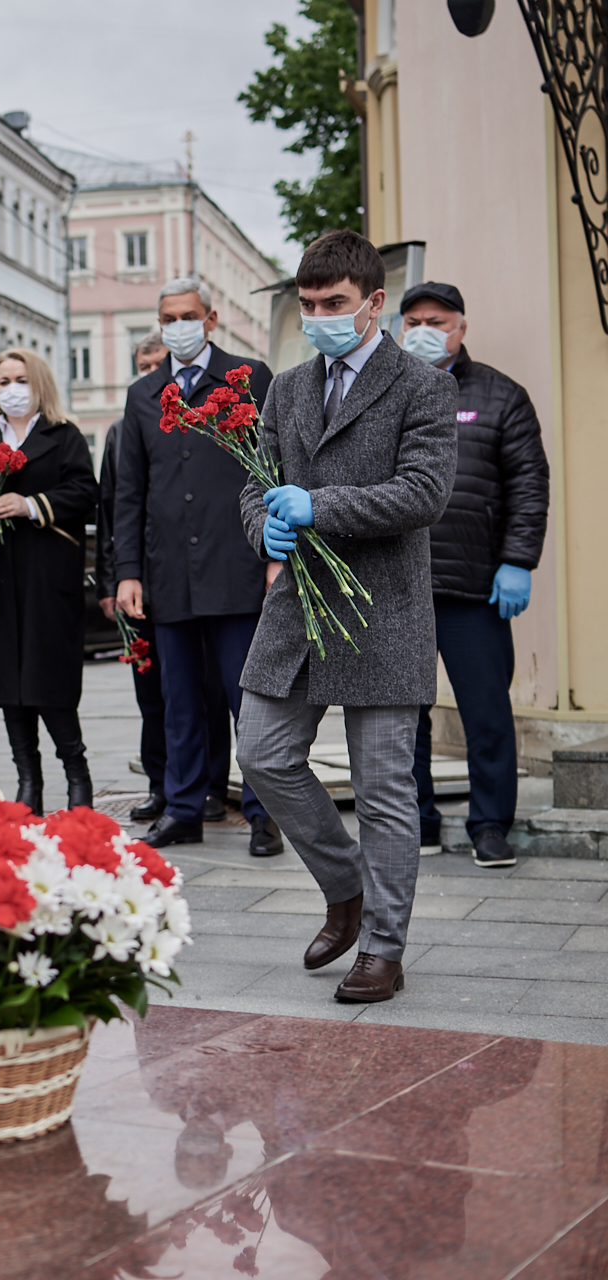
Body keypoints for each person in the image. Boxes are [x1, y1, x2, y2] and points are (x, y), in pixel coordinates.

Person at [236, 229, 458, 1004]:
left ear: (373, 304)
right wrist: (262, 524)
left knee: (384, 788)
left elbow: (423, 493)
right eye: (307, 305)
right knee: (262, 755)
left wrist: (319, 506)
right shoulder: (287, 387)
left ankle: (384, 948)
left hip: (384, 610)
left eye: (333, 304)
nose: (319, 317)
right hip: (296, 608)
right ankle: (347, 885)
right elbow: (257, 483)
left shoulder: (422, 385)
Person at [114, 276, 281, 856]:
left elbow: (273, 467)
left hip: (236, 564)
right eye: (168, 318)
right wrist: (127, 571)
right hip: (169, 574)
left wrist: (274, 554)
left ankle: (264, 813)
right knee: (179, 700)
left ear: (210, 320)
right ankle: (183, 808)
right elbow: (130, 492)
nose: (177, 326)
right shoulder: (143, 395)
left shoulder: (248, 378)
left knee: (247, 699)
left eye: (188, 315)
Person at [399, 282, 550, 870]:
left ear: (461, 326)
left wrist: (518, 561)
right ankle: (419, 824)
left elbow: (528, 486)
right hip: (399, 587)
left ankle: (490, 825)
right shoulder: (386, 393)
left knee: (485, 712)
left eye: (434, 320)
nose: (421, 330)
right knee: (401, 716)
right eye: (411, 319)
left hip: (472, 588)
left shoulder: (500, 395)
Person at [0, 347, 99, 815]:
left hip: (46, 574)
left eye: (20, 379)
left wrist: (29, 504)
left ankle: (77, 776)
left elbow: (84, 492)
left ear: (39, 384)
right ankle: (27, 781)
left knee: (47, 678)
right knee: (9, 682)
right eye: (3, 380)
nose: (11, 389)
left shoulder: (64, 434)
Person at [98, 335, 235, 824]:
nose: (154, 371)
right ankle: (170, 791)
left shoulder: (214, 405)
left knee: (223, 690)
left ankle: (228, 792)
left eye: (159, 362)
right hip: (155, 577)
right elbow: (117, 505)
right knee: (162, 694)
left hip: (217, 572)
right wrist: (116, 580)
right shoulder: (126, 425)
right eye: (145, 365)